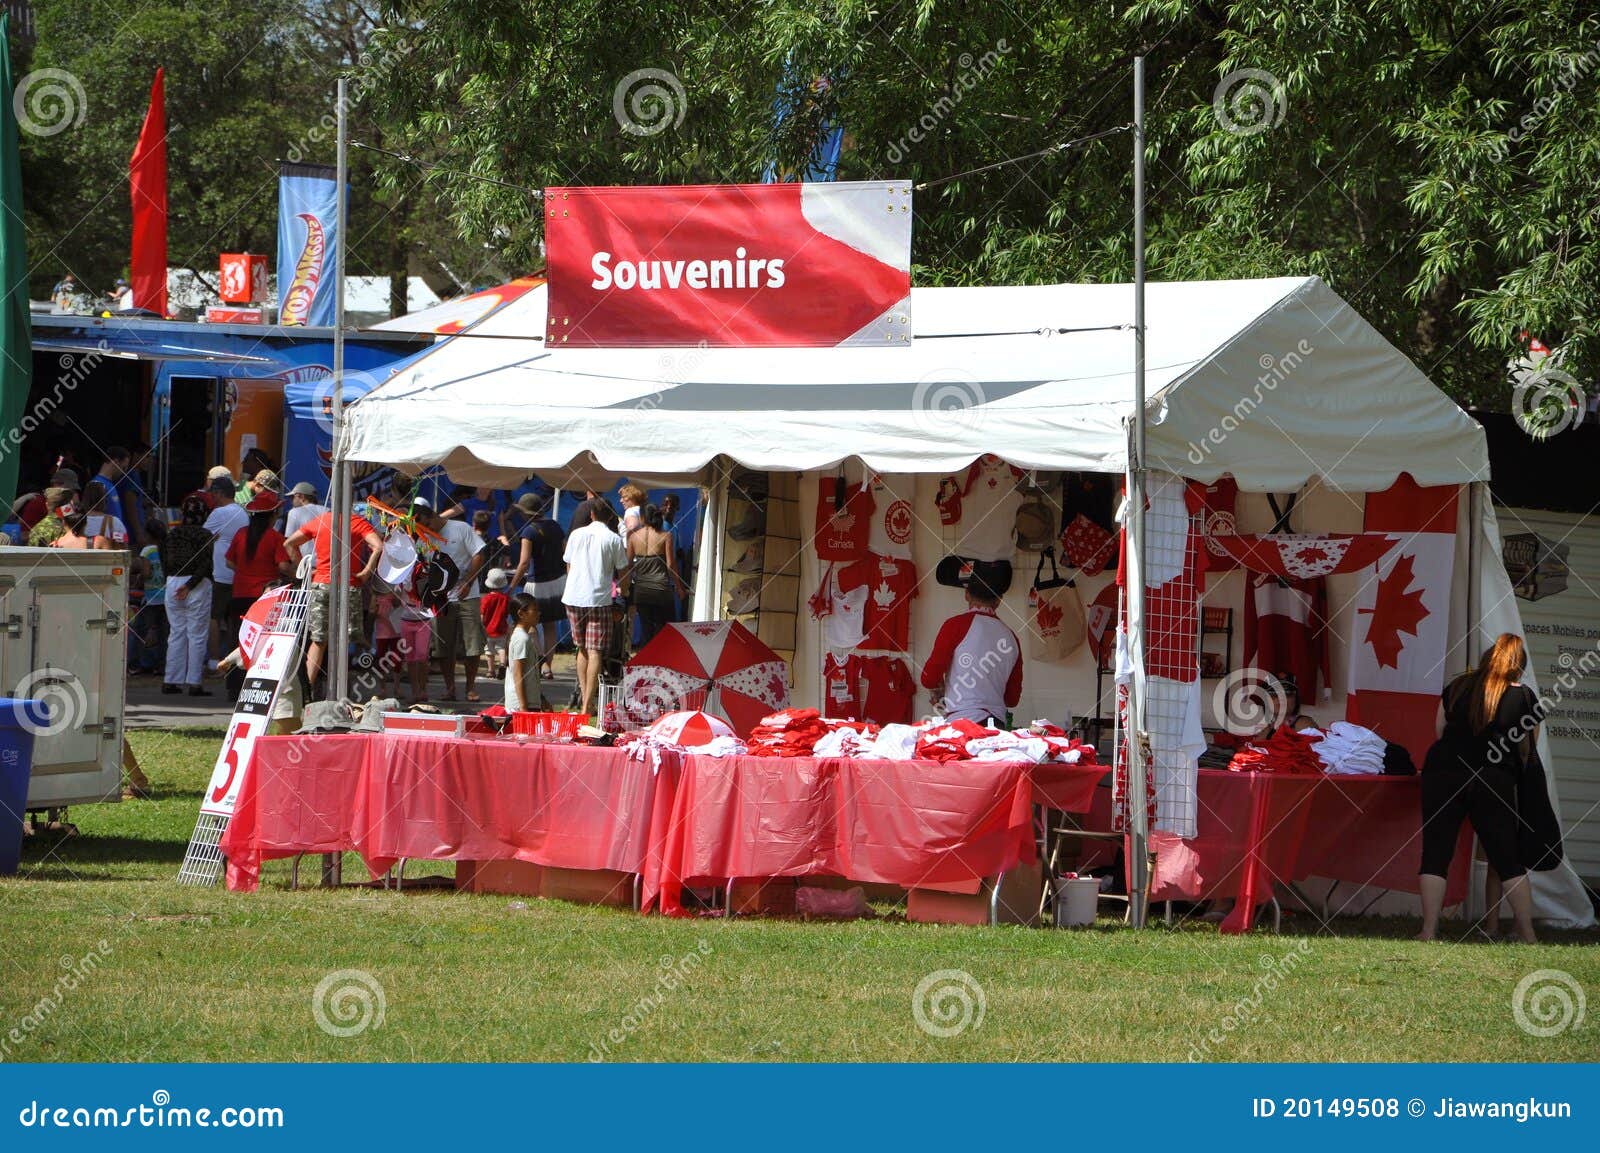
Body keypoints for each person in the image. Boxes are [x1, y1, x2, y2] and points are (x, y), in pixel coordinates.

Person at [1418, 633, 1546, 944]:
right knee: (1507, 857)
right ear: (1519, 665)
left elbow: (1439, 731)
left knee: (1436, 852)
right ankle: (1528, 934)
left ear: (1489, 656)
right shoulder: (1525, 698)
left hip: (1445, 772)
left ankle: (1428, 930)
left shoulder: (1458, 686)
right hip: (1494, 777)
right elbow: (1528, 749)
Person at [283, 505, 384, 694]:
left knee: (318, 641)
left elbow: (289, 544)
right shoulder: (356, 521)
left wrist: (306, 570)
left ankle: (306, 692)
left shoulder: (320, 520)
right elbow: (378, 546)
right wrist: (366, 572)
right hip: (349, 584)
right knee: (343, 640)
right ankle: (339, 692)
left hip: (321, 583)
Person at [919, 571, 1022, 726]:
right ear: (999, 600)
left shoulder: (955, 626)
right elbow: (1012, 699)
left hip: (963, 723)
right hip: (996, 725)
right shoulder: (1011, 637)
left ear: (966, 594)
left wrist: (942, 690)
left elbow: (929, 678)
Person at [412, 499, 487, 702]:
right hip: (441, 600)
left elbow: (479, 554)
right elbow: (420, 566)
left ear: (433, 516)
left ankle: (471, 687)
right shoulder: (423, 537)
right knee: (444, 646)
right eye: (421, 528)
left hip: (467, 596)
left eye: (426, 525)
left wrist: (468, 582)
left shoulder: (460, 528)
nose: (425, 530)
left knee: (473, 645)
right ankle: (450, 688)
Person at [562, 499, 627, 719]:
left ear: (591, 514)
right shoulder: (613, 538)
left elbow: (569, 565)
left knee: (581, 648)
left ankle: (584, 698)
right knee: (595, 651)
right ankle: (587, 703)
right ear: (610, 517)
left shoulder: (575, 535)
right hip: (598, 598)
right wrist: (622, 595)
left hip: (573, 595)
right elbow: (622, 571)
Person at [161, 494, 216, 696]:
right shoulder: (204, 535)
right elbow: (205, 564)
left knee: (176, 633)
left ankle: (170, 680)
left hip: (172, 582)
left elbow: (165, 559)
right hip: (197, 585)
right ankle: (194, 682)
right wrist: (190, 584)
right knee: (197, 635)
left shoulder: (172, 534)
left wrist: (174, 580)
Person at [508, 492, 566, 678]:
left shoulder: (528, 531)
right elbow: (565, 552)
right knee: (550, 627)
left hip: (537, 583)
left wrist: (512, 586)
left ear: (526, 512)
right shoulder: (555, 526)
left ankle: (541, 662)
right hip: (558, 582)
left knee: (531, 625)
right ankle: (547, 666)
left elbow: (524, 562)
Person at [224, 492, 294, 625]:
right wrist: (297, 576)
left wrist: (245, 571)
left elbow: (229, 562)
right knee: (263, 640)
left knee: (239, 639)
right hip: (266, 596)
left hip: (240, 593)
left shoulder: (241, 533)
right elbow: (284, 567)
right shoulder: (275, 537)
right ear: (272, 515)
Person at [626, 503, 685, 648]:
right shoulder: (666, 536)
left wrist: (626, 587)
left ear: (642, 518)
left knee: (647, 630)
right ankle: (660, 662)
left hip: (641, 590)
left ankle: (647, 665)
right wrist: (679, 587)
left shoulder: (633, 537)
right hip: (661, 590)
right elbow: (670, 564)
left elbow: (628, 566)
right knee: (663, 630)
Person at [203, 476, 249, 659]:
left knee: (213, 617)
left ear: (219, 493)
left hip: (219, 573)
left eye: (213, 494)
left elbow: (203, 538)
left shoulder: (219, 513)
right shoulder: (242, 512)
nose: (212, 498)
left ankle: (214, 661)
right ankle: (231, 661)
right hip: (236, 574)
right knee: (232, 620)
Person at [130, 516, 168, 677]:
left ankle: (137, 664)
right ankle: (161, 665)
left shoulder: (147, 550)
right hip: (166, 596)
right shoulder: (166, 549)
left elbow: (146, 573)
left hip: (151, 597)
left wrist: (138, 579)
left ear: (148, 535)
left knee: (141, 630)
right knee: (163, 632)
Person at [502, 593, 546, 713]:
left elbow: (529, 675)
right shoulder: (522, 638)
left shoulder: (523, 637)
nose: (538, 613)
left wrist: (541, 699)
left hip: (529, 701)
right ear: (521, 614)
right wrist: (523, 707)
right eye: (534, 610)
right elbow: (518, 674)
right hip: (522, 704)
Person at [480, 568, 511, 678]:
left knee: (489, 651)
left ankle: (490, 670)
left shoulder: (485, 599)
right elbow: (508, 613)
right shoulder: (506, 598)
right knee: (501, 648)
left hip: (488, 631)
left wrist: (480, 626)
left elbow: (482, 615)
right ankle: (502, 664)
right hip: (502, 629)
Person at [284, 481, 327, 562]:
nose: (291, 501)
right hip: (326, 565)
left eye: (292, 498)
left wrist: (300, 568)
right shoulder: (328, 511)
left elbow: (289, 544)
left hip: (306, 565)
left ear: (301, 497)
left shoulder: (294, 512)